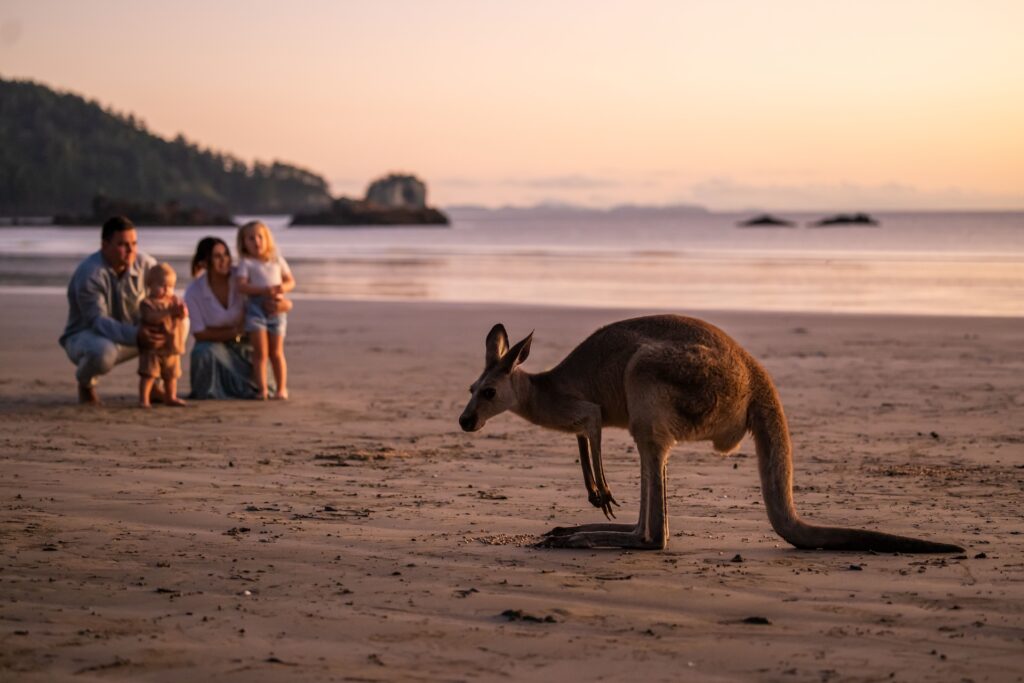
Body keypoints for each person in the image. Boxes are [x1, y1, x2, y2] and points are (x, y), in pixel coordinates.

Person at [59, 216, 174, 404]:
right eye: (122, 244)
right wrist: (137, 335)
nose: (131, 250)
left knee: (173, 324)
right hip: (86, 336)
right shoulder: (90, 274)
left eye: (134, 243)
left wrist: (173, 312)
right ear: (105, 245)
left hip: (132, 333)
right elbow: (97, 321)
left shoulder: (146, 264)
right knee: (103, 353)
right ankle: (86, 383)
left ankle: (154, 385)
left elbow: (166, 295)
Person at [184, 236, 292, 399]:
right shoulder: (194, 292)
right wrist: (235, 331)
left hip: (248, 346)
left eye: (226, 254)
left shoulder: (242, 277)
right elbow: (200, 334)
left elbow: (271, 293)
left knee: (262, 367)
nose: (225, 260)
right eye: (217, 256)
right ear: (204, 263)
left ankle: (251, 387)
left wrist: (284, 305)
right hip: (216, 347)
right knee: (203, 352)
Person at [235, 221, 295, 400]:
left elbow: (291, 281)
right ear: (243, 242)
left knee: (276, 352)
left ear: (268, 239)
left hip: (277, 307)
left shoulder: (277, 259)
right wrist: (263, 290)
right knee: (260, 352)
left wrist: (280, 288)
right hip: (255, 308)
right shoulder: (246, 263)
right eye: (251, 238)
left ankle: (281, 388)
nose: (256, 241)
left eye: (260, 237)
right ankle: (262, 389)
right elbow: (241, 286)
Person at [138, 263, 189, 407]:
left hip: (171, 346)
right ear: (150, 285)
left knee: (171, 375)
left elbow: (182, 316)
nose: (167, 290)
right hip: (153, 347)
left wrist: (182, 312)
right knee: (149, 374)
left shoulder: (173, 302)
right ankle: (144, 399)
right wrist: (169, 312)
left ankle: (170, 396)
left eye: (171, 286)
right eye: (162, 285)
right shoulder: (148, 303)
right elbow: (151, 318)